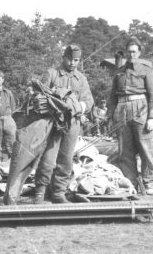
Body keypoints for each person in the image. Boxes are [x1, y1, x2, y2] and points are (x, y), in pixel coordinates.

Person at [33, 45, 94, 204]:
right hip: (52, 122)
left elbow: (89, 100)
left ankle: (59, 193)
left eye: (76, 60)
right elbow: (39, 94)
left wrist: (80, 107)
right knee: (48, 158)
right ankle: (40, 192)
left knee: (66, 160)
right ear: (63, 57)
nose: (73, 63)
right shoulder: (52, 74)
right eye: (70, 59)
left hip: (72, 123)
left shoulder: (81, 78)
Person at [108, 37, 153, 195]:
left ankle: (150, 182)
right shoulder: (119, 71)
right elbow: (112, 97)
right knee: (124, 150)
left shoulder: (146, 69)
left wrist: (152, 117)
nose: (131, 55)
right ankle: (130, 183)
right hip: (121, 109)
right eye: (128, 52)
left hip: (140, 108)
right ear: (125, 53)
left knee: (145, 147)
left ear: (139, 52)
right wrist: (110, 116)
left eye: (134, 52)